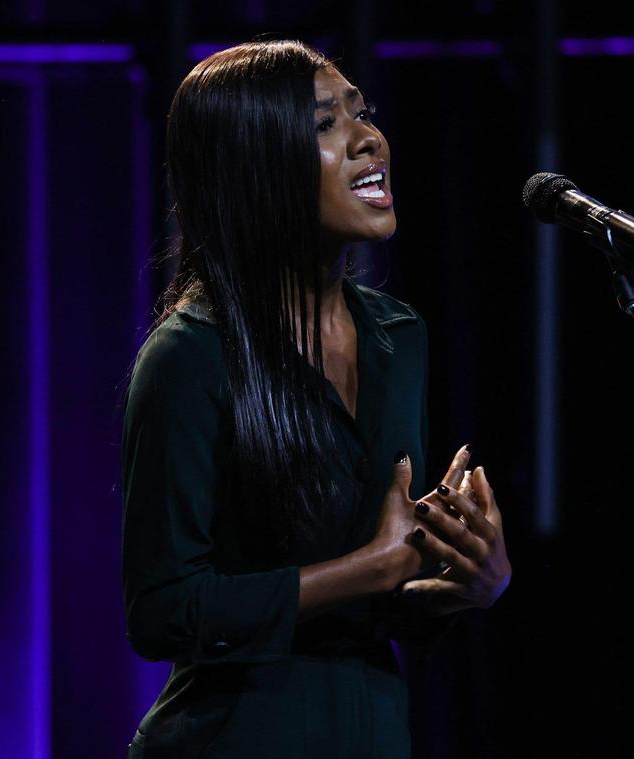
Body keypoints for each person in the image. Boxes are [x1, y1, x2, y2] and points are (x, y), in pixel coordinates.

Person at [121, 40, 511, 758]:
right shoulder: (191, 355)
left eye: (362, 112)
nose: (369, 139)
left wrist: (466, 583)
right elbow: (162, 610)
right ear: (254, 167)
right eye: (325, 125)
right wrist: (372, 566)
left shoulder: (399, 337)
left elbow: (382, 602)